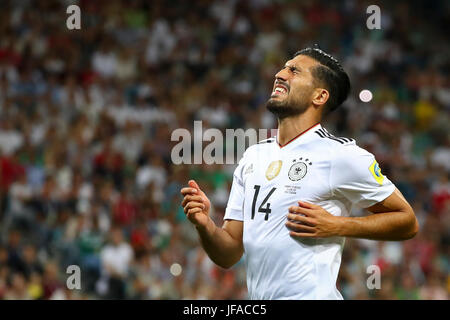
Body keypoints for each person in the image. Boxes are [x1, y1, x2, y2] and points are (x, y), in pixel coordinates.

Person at [180, 47, 419, 300]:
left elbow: (407, 221)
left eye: (294, 71)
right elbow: (228, 254)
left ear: (320, 96)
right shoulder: (253, 157)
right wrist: (205, 225)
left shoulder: (340, 155)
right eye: (283, 68)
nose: (280, 74)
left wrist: (337, 225)